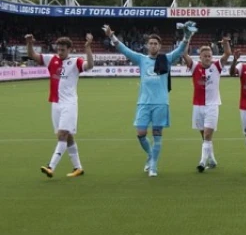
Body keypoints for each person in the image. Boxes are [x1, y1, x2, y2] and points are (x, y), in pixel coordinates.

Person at [103, 24, 192, 177]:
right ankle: (151, 156)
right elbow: (124, 49)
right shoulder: (141, 59)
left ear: (159, 46)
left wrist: (186, 37)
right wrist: (112, 36)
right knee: (141, 133)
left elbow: (179, 50)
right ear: (146, 46)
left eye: (155, 43)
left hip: (160, 103)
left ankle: (153, 166)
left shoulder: (166, 59)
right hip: (143, 103)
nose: (153, 46)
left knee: (157, 135)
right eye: (150, 43)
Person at [28, 34, 94, 178]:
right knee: (68, 136)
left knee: (62, 134)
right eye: (58, 49)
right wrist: (29, 43)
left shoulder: (76, 62)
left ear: (69, 49)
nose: (60, 52)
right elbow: (32, 55)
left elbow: (90, 65)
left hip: (69, 104)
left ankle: (50, 166)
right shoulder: (51, 59)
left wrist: (88, 48)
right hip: (55, 104)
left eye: (63, 50)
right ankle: (78, 168)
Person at [183, 39, 231, 172]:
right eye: (205, 56)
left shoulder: (216, 67)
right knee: (204, 136)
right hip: (198, 106)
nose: (208, 58)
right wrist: (187, 38)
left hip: (212, 105)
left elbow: (227, 53)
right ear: (200, 57)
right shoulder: (194, 66)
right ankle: (212, 159)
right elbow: (184, 53)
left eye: (209, 56)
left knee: (208, 134)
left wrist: (225, 43)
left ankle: (202, 162)